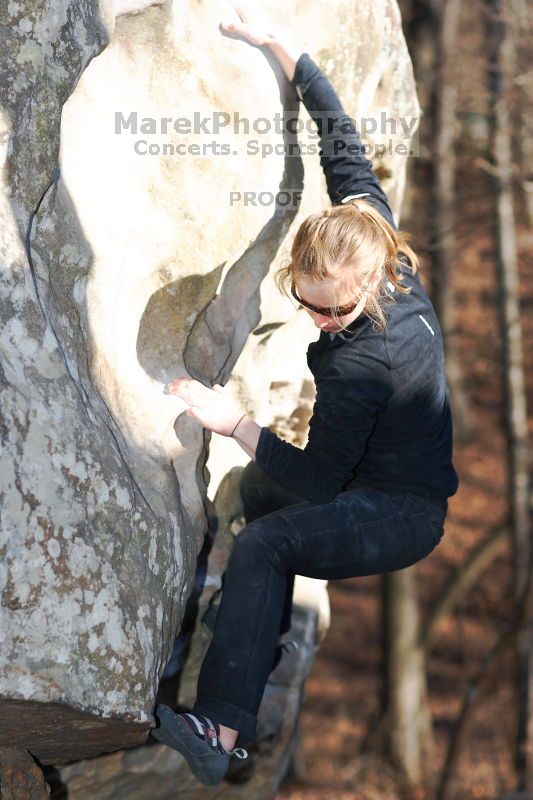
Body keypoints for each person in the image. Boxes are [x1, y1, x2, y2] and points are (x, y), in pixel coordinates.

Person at [151, 3, 459, 787]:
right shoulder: (372, 234)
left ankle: (220, 733)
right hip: (366, 473)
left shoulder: (367, 364)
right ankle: (254, 619)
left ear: (368, 284)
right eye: (308, 301)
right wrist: (280, 47)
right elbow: (342, 140)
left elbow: (321, 481)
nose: (319, 318)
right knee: (259, 491)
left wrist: (235, 421)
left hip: (401, 512)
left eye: (333, 310)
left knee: (268, 539)